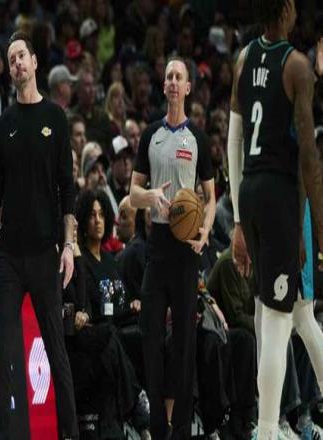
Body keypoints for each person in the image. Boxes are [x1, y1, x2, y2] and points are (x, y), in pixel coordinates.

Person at [227, 1, 323, 439]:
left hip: (249, 191)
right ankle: (267, 430)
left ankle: (266, 427)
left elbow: (234, 139)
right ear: (285, 10)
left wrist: (238, 219)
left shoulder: (243, 58)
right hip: (281, 196)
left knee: (278, 313)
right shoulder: (297, 66)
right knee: (282, 319)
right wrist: (315, 225)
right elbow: (308, 158)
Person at [0, 32, 78, 440]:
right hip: (9, 257)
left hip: (45, 253)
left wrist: (68, 245)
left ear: (35, 62)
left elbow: (67, 187)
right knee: (2, 349)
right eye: (11, 59)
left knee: (56, 349)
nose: (17, 63)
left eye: (22, 56)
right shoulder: (4, 125)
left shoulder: (56, 118)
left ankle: (69, 433)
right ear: (10, 71)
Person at [130, 57, 216, 439]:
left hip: (186, 248)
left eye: (180, 77)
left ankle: (181, 429)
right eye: (169, 77)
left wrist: (206, 230)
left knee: (184, 343)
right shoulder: (151, 134)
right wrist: (150, 196)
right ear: (164, 86)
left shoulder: (197, 138)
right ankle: (157, 428)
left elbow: (210, 197)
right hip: (159, 243)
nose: (174, 82)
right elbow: (132, 193)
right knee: (150, 336)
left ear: (188, 87)